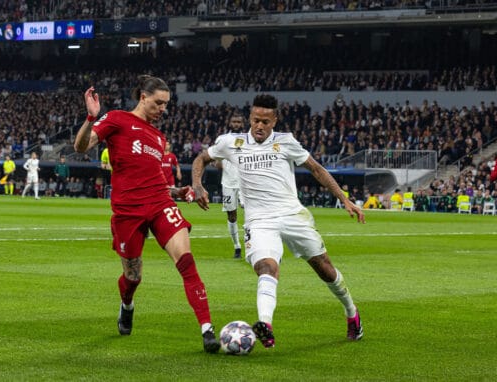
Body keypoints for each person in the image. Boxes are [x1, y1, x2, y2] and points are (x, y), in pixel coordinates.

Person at [192, 94, 365, 348]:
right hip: (259, 220)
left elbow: (316, 169)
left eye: (265, 121)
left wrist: (344, 198)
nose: (259, 126)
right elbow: (201, 159)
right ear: (250, 118)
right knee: (266, 267)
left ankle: (352, 312)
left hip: (293, 215)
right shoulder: (232, 142)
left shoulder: (286, 142)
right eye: (255, 120)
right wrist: (197, 185)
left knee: (323, 267)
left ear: (275, 120)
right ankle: (265, 324)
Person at [73, 75, 220, 353]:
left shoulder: (158, 137)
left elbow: (156, 181)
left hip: (159, 204)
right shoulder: (116, 119)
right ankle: (127, 304)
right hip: (128, 210)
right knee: (133, 276)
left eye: (166, 104)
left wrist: (180, 192)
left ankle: (207, 329)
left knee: (187, 262)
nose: (163, 109)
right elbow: (80, 147)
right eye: (158, 103)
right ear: (143, 97)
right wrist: (91, 118)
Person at [217, 112, 245, 259]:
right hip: (228, 182)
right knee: (231, 215)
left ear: (242, 123)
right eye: (234, 121)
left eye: (238, 122)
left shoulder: (248, 139)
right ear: (230, 123)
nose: (236, 124)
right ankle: (237, 246)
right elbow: (216, 161)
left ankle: (250, 243)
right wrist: (223, 164)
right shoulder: (222, 139)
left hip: (245, 182)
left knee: (250, 212)